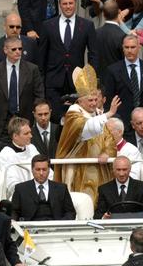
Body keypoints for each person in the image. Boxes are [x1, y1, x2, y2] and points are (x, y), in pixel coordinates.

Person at [54, 65, 119, 199]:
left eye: (96, 100)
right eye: (90, 100)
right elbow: (87, 129)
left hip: (99, 167)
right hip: (78, 167)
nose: (94, 103)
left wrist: (107, 152)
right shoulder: (73, 112)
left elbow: (108, 138)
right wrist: (109, 114)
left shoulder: (97, 113)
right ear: (80, 100)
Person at [39, 0, 98, 123]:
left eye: (70, 3)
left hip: (77, 82)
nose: (68, 6)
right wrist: (42, 81)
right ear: (59, 5)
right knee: (56, 119)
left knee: (77, 120)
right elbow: (41, 55)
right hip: (53, 81)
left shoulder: (87, 25)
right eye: (64, 4)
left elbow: (93, 54)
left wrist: (90, 79)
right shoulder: (48, 25)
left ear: (75, 4)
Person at [0, 37, 44, 142]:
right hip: (1, 125)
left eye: (20, 49)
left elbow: (39, 95)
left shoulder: (32, 69)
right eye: (14, 49)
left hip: (24, 122)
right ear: (5, 50)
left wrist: (34, 117)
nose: (18, 52)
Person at [103, 35, 143, 135]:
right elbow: (109, 100)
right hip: (123, 124)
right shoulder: (113, 70)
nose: (129, 50)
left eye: (132, 47)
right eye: (126, 47)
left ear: (139, 47)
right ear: (123, 48)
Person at [0, 117, 51, 198]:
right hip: (20, 196)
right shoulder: (6, 155)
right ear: (15, 136)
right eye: (26, 133)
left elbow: (45, 168)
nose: (31, 136)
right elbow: (11, 183)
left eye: (30, 132)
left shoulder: (32, 148)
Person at [11, 154, 75, 221]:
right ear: (32, 170)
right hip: (29, 228)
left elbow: (70, 212)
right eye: (38, 170)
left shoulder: (61, 188)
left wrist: (60, 225)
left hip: (56, 228)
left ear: (49, 170)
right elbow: (14, 212)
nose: (41, 173)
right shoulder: (21, 189)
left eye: (44, 169)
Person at [0, 12, 38, 81]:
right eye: (11, 26)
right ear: (4, 27)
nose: (15, 30)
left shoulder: (31, 43)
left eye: (18, 27)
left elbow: (38, 71)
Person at [95, 0, 127, 75]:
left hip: (99, 78)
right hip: (116, 79)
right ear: (119, 12)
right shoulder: (122, 35)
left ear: (103, 14)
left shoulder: (95, 33)